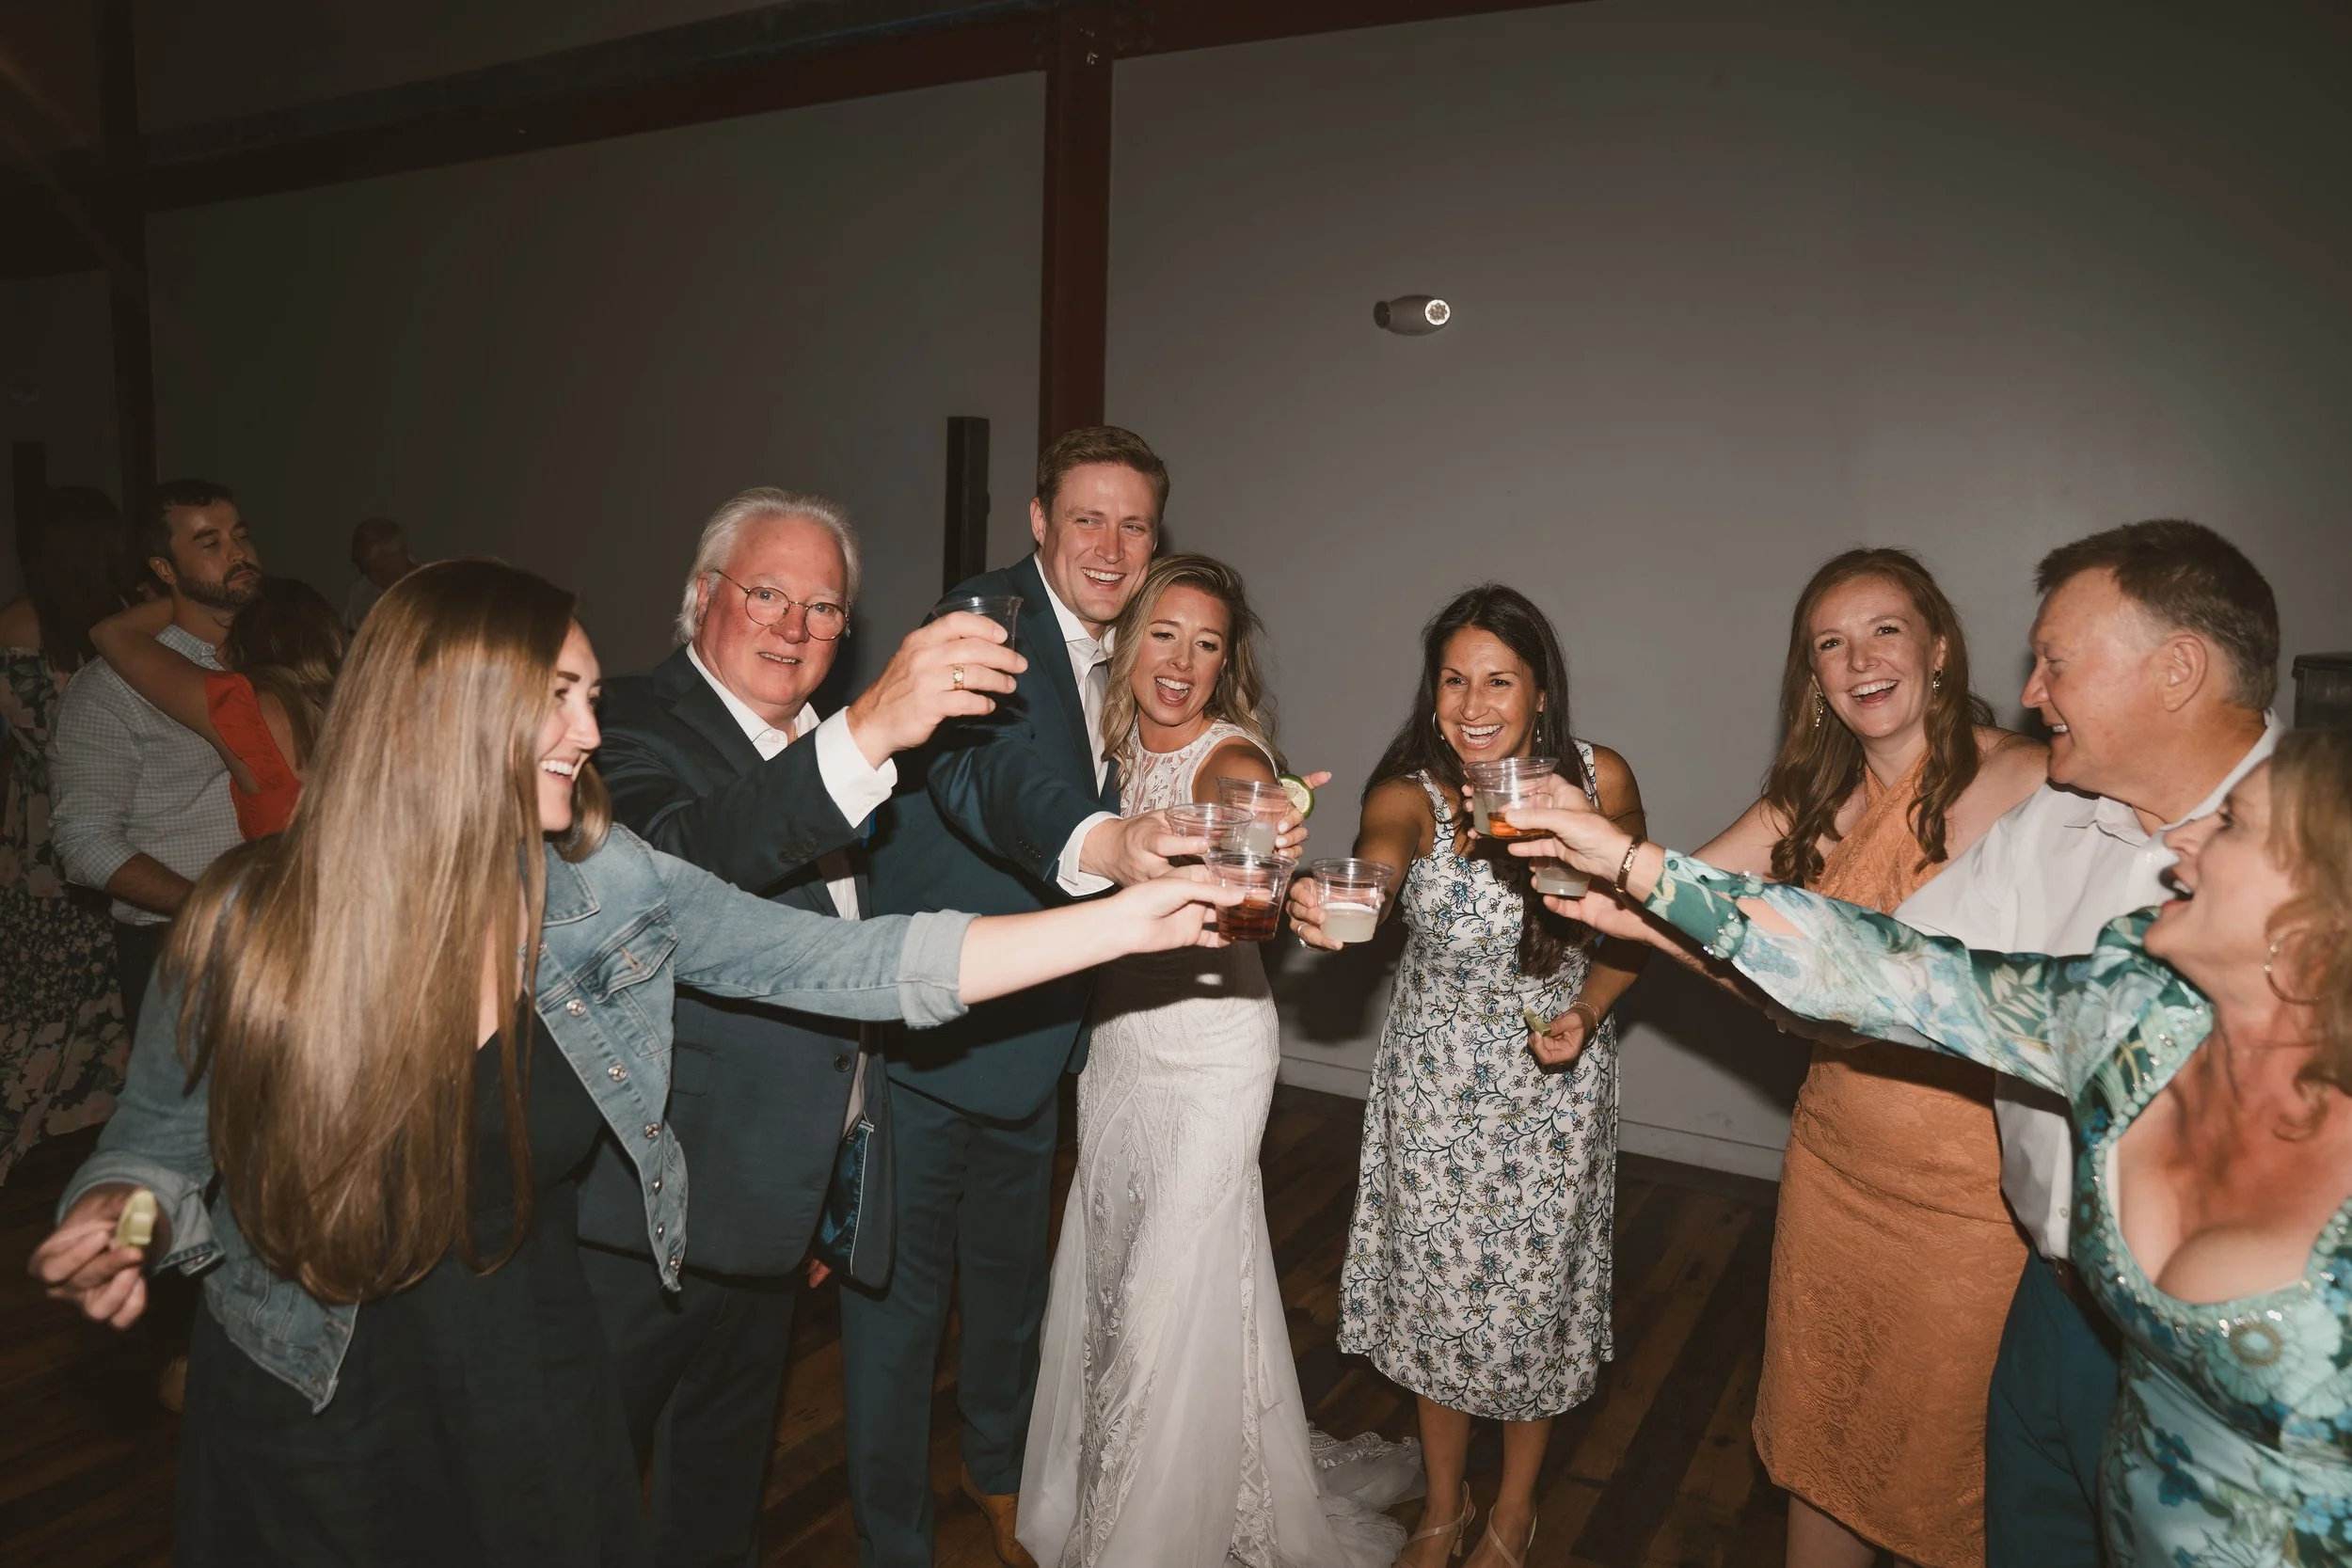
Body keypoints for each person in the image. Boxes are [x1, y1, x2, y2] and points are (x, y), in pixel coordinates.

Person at [29, 559, 1239, 1565]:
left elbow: (858, 963)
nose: (590, 732)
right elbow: (154, 1146)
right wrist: (118, 1216)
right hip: (309, 1379)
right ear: (444, 706)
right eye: (557, 697)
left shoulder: (603, 886)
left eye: (594, 696)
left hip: (528, 1362)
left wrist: (1129, 916)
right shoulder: (249, 918)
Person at [1505, 727, 2352, 1566]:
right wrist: (1634, 872)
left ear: (2320, 907)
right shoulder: (2127, 1009)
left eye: (2232, 824)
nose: (2186, 837)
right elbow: (1887, 973)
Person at [860, 426, 1311, 1568]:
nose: (1109, 546)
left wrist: (1269, 840)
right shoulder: (990, 620)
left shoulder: (1128, 667)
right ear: (1038, 521)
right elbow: (988, 770)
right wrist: (1103, 839)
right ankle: (893, 1537)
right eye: (1086, 519)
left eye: (1133, 525)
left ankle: (1002, 1475)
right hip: (939, 1024)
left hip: (1055, 1039)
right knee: (903, 1307)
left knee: (1015, 1291)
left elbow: (1235, 784)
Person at [573, 487, 1025, 1568]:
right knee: (578, 1491)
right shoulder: (622, 719)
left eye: (823, 608)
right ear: (702, 596)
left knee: (719, 1489)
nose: (794, 626)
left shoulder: (830, 748)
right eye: (767, 593)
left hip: (773, 1207)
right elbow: (682, 866)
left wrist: (830, 1183)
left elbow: (847, 964)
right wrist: (869, 730)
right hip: (644, 1213)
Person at [1888, 520, 2280, 1566]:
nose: (2030, 692)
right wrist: (1657, 903)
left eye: (2056, 661)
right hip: (2052, 1300)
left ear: (2177, 669)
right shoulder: (2057, 817)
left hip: (2217, 1362)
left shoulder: (2320, 861)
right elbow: (1895, 969)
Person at [1018, 554, 1414, 1566]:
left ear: (1225, 662)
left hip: (1210, 1056)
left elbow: (1254, 799)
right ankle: (1137, 1478)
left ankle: (1144, 1538)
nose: (1181, 660)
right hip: (1121, 1041)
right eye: (1164, 633)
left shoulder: (1223, 753)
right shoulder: (1105, 752)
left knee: (1172, 1282)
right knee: (1117, 1266)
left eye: (1206, 643)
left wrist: (1271, 821)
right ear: (1128, 640)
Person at [1661, 549, 2044, 1568]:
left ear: (1939, 646)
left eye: (1884, 630)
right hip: (1834, 1172)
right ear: (1813, 678)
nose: (1859, 659)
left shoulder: (2029, 779)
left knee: (1946, 1474)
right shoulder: (1811, 798)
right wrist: (1572, 854)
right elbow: (1682, 901)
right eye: (1830, 643)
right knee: (1819, 1439)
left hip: (1971, 1204)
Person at [1287, 584, 1647, 1568]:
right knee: (1438, 1302)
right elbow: (1379, 860)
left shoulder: (1599, 778)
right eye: (1453, 679)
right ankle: (1444, 1505)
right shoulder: (1410, 789)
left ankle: (1514, 1509)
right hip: (1435, 1087)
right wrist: (1341, 896)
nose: (1472, 703)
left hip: (1553, 1080)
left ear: (1540, 691)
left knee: (1530, 1308)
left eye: (1498, 679)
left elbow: (1638, 926)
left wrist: (1589, 1011)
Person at [49, 478, 254, 1032]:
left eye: (240, 534)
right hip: (182, 941)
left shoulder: (276, 656)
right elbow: (85, 842)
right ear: (165, 570)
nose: (238, 553)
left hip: (290, 924)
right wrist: (212, 907)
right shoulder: (109, 688)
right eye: (210, 542)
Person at [0, 486, 135, 1183]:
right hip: (70, 831)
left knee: (75, 989)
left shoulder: (28, 621)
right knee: (53, 990)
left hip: (57, 829)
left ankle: (85, 1132)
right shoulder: (104, 624)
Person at [89, 578, 347, 839]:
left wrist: (197, 596)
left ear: (243, 641)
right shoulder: (360, 709)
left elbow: (111, 633)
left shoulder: (243, 708)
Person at [343, 515, 416, 631]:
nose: (374, 579)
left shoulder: (433, 588)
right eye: (367, 571)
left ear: (402, 553)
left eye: (380, 570)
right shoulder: (360, 591)